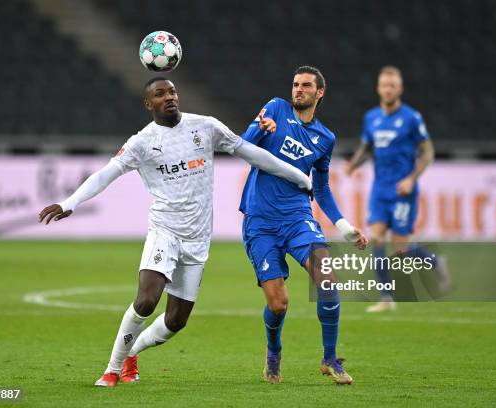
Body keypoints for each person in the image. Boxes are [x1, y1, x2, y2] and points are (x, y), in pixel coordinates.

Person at [38, 77, 314, 387]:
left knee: (176, 321)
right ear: (148, 104)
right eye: (160, 94)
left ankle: (133, 354)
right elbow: (106, 174)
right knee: (146, 301)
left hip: (197, 239)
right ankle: (112, 370)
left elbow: (251, 153)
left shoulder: (205, 127)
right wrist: (70, 202)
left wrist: (298, 176)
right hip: (165, 230)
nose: (169, 97)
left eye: (172, 91)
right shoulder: (141, 142)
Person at [240, 66, 368, 385]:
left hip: (298, 218)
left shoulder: (325, 138)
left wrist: (344, 224)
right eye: (295, 84)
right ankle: (273, 352)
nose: (298, 90)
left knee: (327, 277)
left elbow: (321, 188)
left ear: (319, 93)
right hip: (261, 221)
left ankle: (330, 360)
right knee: (279, 303)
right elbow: (242, 145)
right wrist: (259, 130)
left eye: (305, 86)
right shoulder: (275, 108)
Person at [346, 66, 449, 312]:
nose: (388, 89)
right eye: (384, 85)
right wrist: (354, 164)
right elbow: (367, 148)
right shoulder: (371, 118)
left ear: (399, 89)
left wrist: (412, 179)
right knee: (377, 238)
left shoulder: (412, 118)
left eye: (392, 85)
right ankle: (386, 298)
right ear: (378, 89)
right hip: (379, 190)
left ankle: (436, 262)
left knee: (401, 250)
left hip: (403, 191)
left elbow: (428, 153)